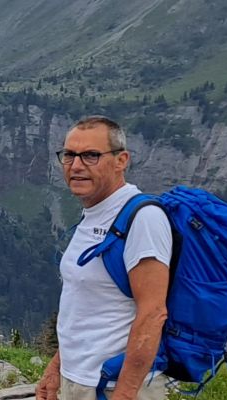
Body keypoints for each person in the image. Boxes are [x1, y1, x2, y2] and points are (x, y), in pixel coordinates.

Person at [37, 116, 172, 400]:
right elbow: (84, 307)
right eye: (69, 155)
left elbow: (153, 313)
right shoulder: (94, 212)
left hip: (113, 386)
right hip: (77, 381)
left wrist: (124, 394)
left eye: (90, 156)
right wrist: (56, 370)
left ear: (121, 160)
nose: (76, 166)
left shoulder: (143, 219)